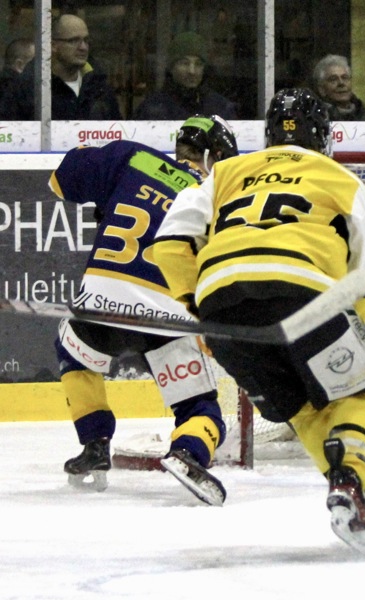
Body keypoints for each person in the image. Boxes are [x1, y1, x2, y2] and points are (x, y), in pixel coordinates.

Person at [152, 88, 365, 553]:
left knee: (300, 409)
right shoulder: (339, 176)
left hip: (223, 308)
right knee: (357, 391)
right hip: (307, 294)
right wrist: (355, 335)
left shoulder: (225, 171)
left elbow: (169, 242)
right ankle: (350, 479)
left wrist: (199, 312)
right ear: (324, 137)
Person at [54, 115, 240, 506]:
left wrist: (109, 194)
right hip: (165, 317)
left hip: (101, 305)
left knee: (71, 352)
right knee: (199, 407)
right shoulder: (220, 195)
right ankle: (189, 450)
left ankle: (94, 442)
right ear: (216, 155)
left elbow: (64, 176)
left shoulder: (133, 158)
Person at [0, 14, 121, 120]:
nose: (83, 47)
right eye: (74, 41)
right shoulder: (26, 89)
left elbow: (118, 134)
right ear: (53, 45)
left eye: (86, 40)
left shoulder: (99, 87)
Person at [133, 31, 237, 121]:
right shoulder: (152, 110)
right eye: (184, 63)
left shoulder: (221, 109)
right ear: (172, 67)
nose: (192, 71)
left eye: (198, 64)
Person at [313, 54, 365, 121]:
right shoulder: (316, 119)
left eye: (345, 78)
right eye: (333, 79)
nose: (341, 83)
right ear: (321, 89)